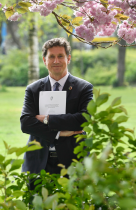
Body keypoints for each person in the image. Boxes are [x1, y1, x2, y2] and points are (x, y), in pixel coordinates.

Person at [20, 38, 93, 189]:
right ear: (44, 60)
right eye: (51, 57)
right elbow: (26, 123)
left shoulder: (84, 88)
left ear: (69, 58)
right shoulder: (33, 89)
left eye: (60, 56)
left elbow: (83, 119)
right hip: (38, 162)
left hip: (73, 161)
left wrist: (46, 119)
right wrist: (59, 133)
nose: (56, 61)